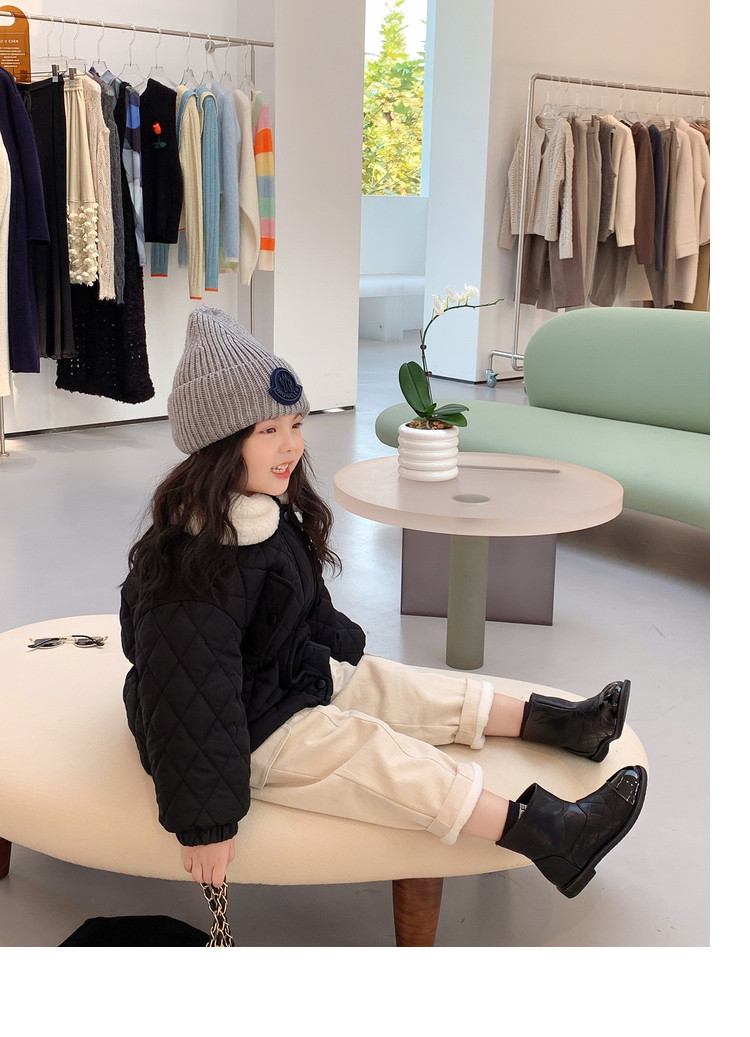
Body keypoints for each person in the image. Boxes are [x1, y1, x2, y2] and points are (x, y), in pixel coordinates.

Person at [120, 307, 646, 901]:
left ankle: (564, 724)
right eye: (268, 431)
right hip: (244, 728)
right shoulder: (190, 571)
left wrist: (341, 643)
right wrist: (206, 826)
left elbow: (293, 605)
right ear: (217, 444)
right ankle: (556, 836)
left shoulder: (261, 514)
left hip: (276, 678)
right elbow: (191, 700)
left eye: (296, 424)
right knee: (377, 757)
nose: (292, 446)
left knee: (400, 685)